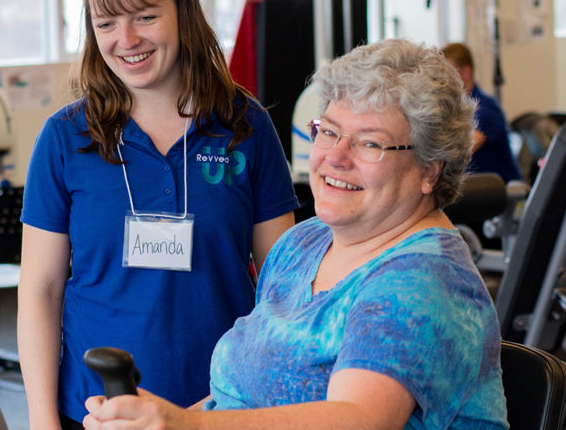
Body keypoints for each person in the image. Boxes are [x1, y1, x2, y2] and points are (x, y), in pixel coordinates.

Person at [82, 39, 509, 430]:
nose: (334, 157)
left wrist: (183, 426)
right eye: (329, 131)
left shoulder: (423, 280)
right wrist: (152, 421)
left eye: (369, 143)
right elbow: (239, 396)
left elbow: (359, 419)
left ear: (430, 169)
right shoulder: (302, 244)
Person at [18, 0, 298, 430]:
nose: (126, 40)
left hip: (221, 407)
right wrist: (42, 420)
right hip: (95, 411)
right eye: (107, 23)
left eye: (145, 16)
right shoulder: (65, 138)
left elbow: (284, 289)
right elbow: (40, 289)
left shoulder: (246, 127)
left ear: (184, 12)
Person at [441, 42, 521, 183]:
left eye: (448, 72)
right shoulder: (454, 109)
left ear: (466, 72)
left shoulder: (487, 109)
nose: (442, 79)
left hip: (501, 193)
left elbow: (463, 149)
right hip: (478, 190)